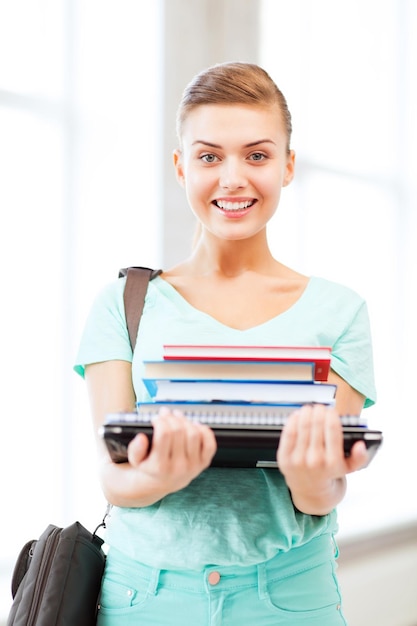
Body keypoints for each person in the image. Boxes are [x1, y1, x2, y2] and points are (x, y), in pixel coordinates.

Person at [74, 62, 376, 625]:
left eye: (257, 155)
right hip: (145, 600)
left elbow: (322, 492)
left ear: (287, 166)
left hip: (290, 600)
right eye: (209, 156)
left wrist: (312, 479)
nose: (232, 178)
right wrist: (159, 476)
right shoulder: (123, 305)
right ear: (181, 167)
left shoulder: (340, 312)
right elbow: (113, 475)